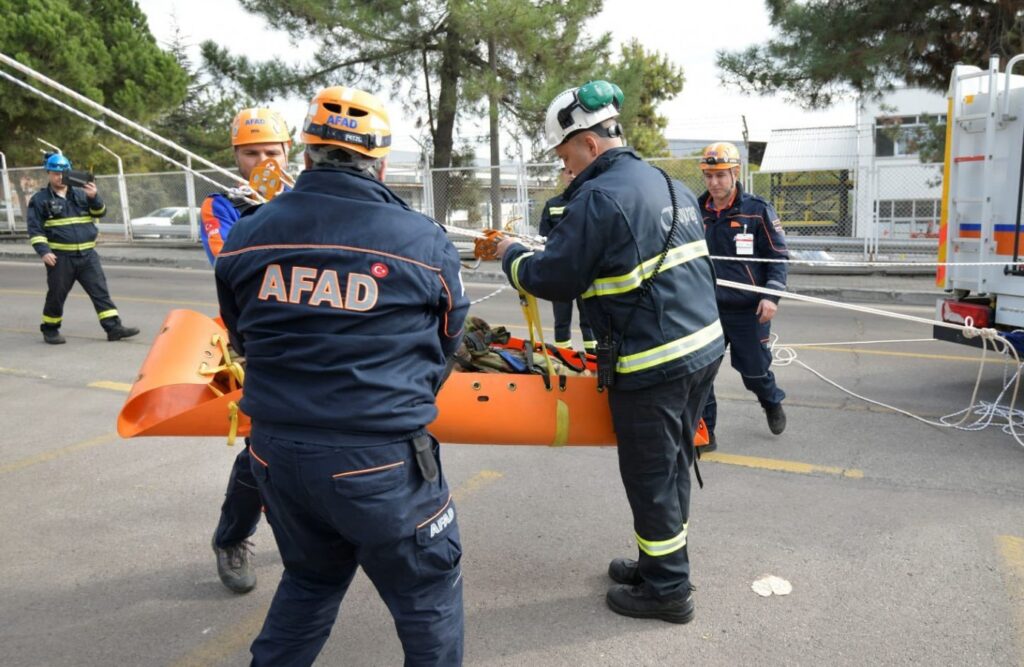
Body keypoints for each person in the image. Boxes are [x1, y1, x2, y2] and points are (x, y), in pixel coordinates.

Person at [215, 85, 469, 666]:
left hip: (277, 455)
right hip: (380, 461)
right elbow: (450, 337)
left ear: (304, 156)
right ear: (380, 163)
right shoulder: (421, 240)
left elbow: (241, 335)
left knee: (309, 582)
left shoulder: (248, 233)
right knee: (427, 599)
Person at [495, 80, 724, 624]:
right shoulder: (667, 183)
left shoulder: (599, 196)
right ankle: (659, 563)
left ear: (590, 145)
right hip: (702, 351)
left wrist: (510, 257)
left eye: (565, 153)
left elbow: (554, 276)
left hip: (654, 362)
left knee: (651, 476)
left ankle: (668, 590)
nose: (564, 165)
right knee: (671, 467)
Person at [203, 107, 292, 595]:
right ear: (236, 155)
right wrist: (268, 209)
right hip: (256, 339)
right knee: (262, 448)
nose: (262, 160)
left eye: (271, 152)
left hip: (311, 334)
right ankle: (232, 537)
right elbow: (229, 259)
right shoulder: (224, 205)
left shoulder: (307, 198)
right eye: (251, 152)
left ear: (288, 153)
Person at [697, 141, 788, 449]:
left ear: (735, 173)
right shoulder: (695, 212)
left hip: (749, 310)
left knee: (753, 371)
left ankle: (771, 399)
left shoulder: (757, 210)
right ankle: (705, 433)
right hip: (706, 309)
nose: (713, 182)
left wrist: (771, 296)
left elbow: (778, 258)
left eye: (720, 175)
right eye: (708, 175)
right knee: (700, 374)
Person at [27, 153, 139, 345]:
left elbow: (100, 212)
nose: (59, 177)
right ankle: (50, 329)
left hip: (88, 256)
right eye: (55, 173)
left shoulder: (81, 193)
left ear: (69, 172)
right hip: (61, 258)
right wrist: (44, 251)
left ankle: (113, 328)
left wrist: (94, 197)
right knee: (57, 295)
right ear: (48, 173)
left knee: (100, 292)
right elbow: (35, 229)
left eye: (63, 173)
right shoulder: (40, 199)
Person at [538, 167, 595, 353]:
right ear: (562, 175)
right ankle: (565, 356)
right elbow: (544, 239)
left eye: (574, 171)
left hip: (586, 272)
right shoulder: (552, 205)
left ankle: (593, 357)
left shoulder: (590, 199)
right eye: (567, 172)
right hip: (560, 272)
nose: (571, 175)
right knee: (561, 319)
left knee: (589, 318)